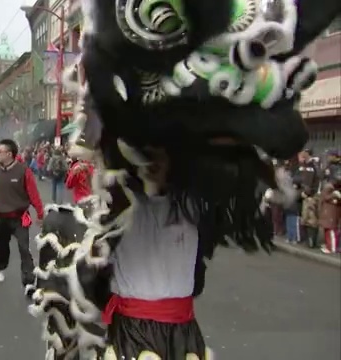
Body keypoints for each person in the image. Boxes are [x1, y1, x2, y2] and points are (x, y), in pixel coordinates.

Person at [29, 0, 333, 357]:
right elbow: (128, 136)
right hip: (136, 334)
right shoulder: (128, 198)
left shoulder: (193, 199)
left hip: (184, 331)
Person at [0, 139, 43, 294]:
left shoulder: (24, 171)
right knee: (1, 247)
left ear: (9, 154)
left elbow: (33, 194)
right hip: (0, 216)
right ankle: (0, 269)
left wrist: (40, 213)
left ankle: (29, 281)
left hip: (19, 217)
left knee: (24, 248)